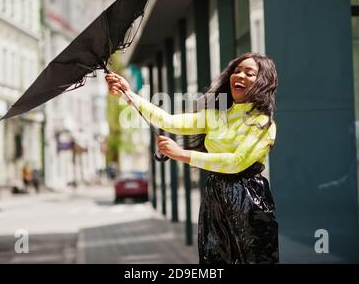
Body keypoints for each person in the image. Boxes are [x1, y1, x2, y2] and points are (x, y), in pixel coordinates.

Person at [106, 53, 279, 264]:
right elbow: (167, 120)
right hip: (215, 195)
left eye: (249, 73)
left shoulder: (263, 123)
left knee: (253, 258)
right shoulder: (215, 116)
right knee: (214, 258)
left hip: (249, 197)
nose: (240, 75)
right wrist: (128, 93)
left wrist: (182, 154)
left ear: (262, 81)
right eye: (237, 70)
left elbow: (236, 162)